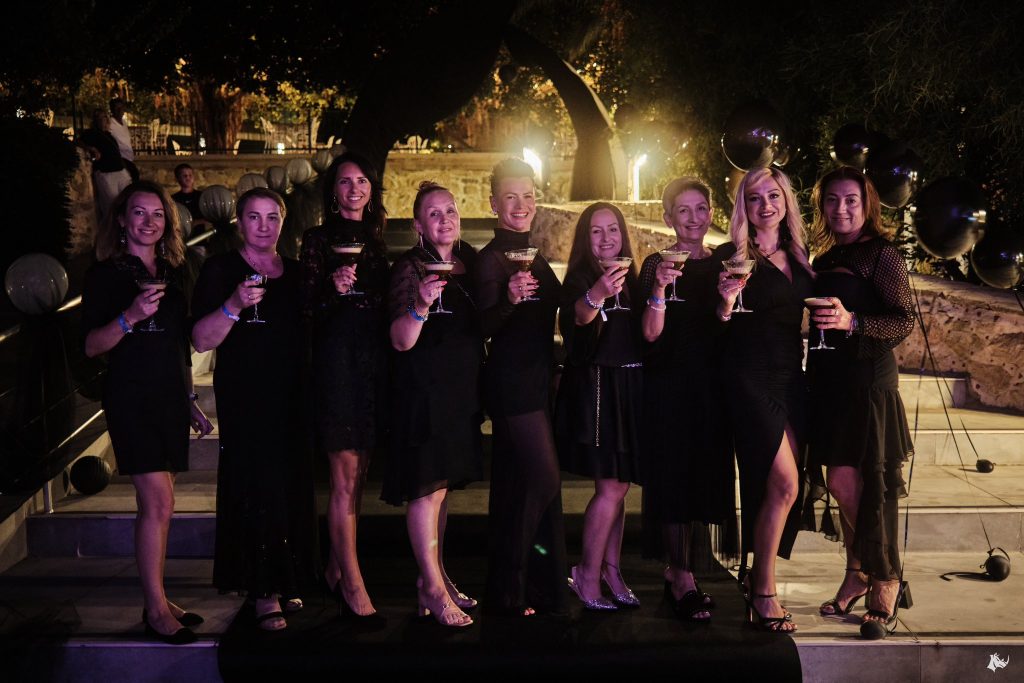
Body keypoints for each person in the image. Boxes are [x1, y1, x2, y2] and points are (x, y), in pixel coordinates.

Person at [81, 180, 213, 644]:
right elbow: (92, 346)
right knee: (159, 503)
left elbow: (180, 344)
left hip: (169, 396)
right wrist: (130, 317)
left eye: (158, 214)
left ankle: (157, 598)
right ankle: (156, 611)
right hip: (131, 397)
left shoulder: (176, 270)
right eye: (139, 212)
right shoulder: (104, 275)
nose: (149, 222)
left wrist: (190, 399)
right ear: (121, 218)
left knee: (158, 505)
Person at [190, 188, 318, 631]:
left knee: (289, 486)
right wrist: (234, 305)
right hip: (246, 397)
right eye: (254, 217)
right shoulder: (221, 269)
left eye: (272, 217)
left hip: (292, 396)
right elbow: (201, 340)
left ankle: (287, 577)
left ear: (283, 221)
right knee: (256, 487)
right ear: (240, 223)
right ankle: (262, 591)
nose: (263, 226)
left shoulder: (297, 273)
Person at [805, 167, 915, 629]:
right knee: (841, 482)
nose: (841, 208)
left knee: (869, 485)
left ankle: (886, 578)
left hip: (868, 381)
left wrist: (853, 322)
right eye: (832, 199)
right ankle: (858, 571)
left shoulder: (882, 254)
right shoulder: (826, 253)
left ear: (867, 203)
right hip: (829, 380)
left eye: (851, 199)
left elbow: (904, 319)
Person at [715, 167, 814, 632]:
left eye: (773, 196)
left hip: (791, 377)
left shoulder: (801, 254)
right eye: (755, 199)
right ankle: (763, 591)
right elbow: (716, 322)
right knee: (786, 485)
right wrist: (725, 303)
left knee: (779, 488)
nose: (766, 205)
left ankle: (757, 576)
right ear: (744, 208)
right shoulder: (731, 256)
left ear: (786, 201)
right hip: (748, 376)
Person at [382, 181, 484, 628]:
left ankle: (436, 578)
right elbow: (400, 340)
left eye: (451, 211)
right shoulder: (410, 267)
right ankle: (431, 587)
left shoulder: (469, 261)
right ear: (418, 225)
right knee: (426, 493)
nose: (445, 219)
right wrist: (421, 305)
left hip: (459, 394)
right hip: (423, 393)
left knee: (442, 494)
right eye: (434, 213)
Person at [638, 178, 736, 621]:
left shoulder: (723, 264)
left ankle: (684, 570)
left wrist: (728, 302)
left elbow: (726, 327)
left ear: (711, 213)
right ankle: (680, 576)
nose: (694, 218)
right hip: (669, 386)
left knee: (700, 476)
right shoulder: (655, 264)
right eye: (683, 210)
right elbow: (649, 335)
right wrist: (659, 289)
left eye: (701, 208)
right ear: (668, 218)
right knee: (674, 477)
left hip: (711, 386)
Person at [299, 151, 390, 618]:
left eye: (362, 182)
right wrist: (330, 291)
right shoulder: (317, 240)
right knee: (343, 478)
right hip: (336, 366)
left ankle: (336, 569)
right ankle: (353, 587)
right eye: (345, 182)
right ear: (333, 192)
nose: (354, 189)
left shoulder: (376, 239)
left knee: (360, 476)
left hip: (373, 365)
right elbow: (304, 309)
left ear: (371, 190)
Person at [477, 158, 568, 616]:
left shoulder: (532, 251)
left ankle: (533, 584)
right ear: (493, 203)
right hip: (512, 382)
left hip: (537, 378)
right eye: (510, 196)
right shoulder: (490, 258)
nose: (521, 204)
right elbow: (482, 327)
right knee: (544, 477)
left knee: (518, 482)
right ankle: (509, 584)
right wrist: (510, 300)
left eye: (528, 195)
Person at [555, 202, 643, 611]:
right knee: (611, 486)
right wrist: (598, 294)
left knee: (620, 485)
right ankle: (586, 574)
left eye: (613, 230)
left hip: (629, 387)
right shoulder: (580, 277)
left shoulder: (633, 278)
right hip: (599, 389)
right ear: (584, 238)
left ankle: (611, 569)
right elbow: (578, 317)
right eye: (596, 231)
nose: (607, 238)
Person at [78, 109, 131, 221]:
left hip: (120, 171)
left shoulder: (109, 135)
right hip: (106, 173)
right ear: (96, 120)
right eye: (103, 117)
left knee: (128, 201)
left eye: (107, 117)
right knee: (111, 205)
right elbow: (78, 142)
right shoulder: (91, 133)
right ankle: (111, 229)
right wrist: (91, 148)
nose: (107, 120)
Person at [108, 98, 139, 181]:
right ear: (112, 110)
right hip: (121, 158)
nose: (119, 110)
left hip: (129, 158)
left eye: (121, 108)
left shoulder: (124, 122)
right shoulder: (110, 123)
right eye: (117, 108)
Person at [171, 163, 208, 229]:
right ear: (178, 178)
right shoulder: (173, 199)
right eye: (184, 175)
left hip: (200, 234)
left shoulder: (202, 196)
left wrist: (196, 222)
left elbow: (210, 217)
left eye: (190, 175)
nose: (188, 178)